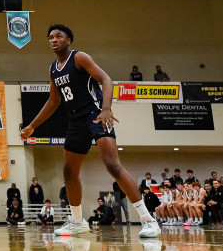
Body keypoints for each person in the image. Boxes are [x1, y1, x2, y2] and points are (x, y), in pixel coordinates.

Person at [20, 24, 160, 238]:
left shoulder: (79, 57)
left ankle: (148, 220)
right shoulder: (53, 69)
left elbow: (106, 79)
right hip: (75, 120)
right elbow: (53, 101)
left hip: (95, 114)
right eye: (50, 37)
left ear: (69, 40)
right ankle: (77, 222)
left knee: (112, 165)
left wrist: (106, 109)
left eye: (58, 36)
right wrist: (32, 126)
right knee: (68, 172)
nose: (53, 40)